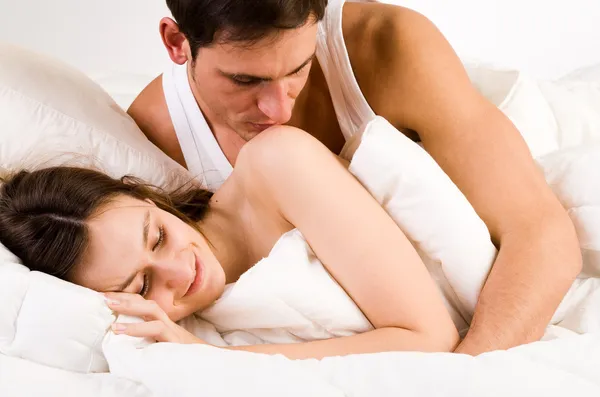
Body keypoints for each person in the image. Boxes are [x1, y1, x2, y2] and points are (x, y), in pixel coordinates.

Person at [127, 0, 581, 355]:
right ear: (176, 42)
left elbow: (541, 232)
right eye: (245, 81)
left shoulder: (390, 48)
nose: (279, 110)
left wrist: (469, 374)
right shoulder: (158, 134)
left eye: (297, 69)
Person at [0, 127, 460, 359]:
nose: (181, 274)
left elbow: (432, 336)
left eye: (158, 237)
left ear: (143, 196)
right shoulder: (188, 328)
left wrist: (218, 359)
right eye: (142, 287)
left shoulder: (278, 163)